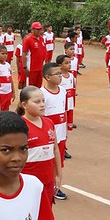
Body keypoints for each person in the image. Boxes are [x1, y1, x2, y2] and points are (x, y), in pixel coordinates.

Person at [17, 86, 61, 220]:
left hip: (46, 183)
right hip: (25, 185)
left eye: (43, 100)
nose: (42, 104)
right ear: (24, 105)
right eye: (37, 101)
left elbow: (56, 149)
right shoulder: (19, 127)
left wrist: (58, 175)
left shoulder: (49, 123)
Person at [42, 62, 70, 193]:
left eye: (60, 73)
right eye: (57, 74)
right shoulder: (42, 94)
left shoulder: (63, 91)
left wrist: (65, 130)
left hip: (61, 133)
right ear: (48, 77)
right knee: (49, 161)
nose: (60, 76)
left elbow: (64, 111)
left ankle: (56, 182)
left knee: (59, 161)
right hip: (49, 135)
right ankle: (52, 185)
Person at [58, 50, 77, 131]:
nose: (69, 65)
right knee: (63, 111)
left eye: (69, 63)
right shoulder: (59, 77)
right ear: (60, 66)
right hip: (62, 99)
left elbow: (73, 87)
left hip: (70, 98)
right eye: (66, 63)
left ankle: (69, 124)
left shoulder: (71, 75)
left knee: (70, 111)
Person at [23, 22, 46, 88]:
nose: (39, 31)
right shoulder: (28, 39)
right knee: (31, 88)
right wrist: (25, 67)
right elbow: (24, 54)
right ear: (32, 30)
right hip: (31, 68)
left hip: (40, 68)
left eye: (40, 29)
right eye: (37, 29)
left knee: (38, 87)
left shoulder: (42, 39)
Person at [0, 45, 15, 112]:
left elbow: (10, 79)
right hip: (0, 93)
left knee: (6, 110)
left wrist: (13, 92)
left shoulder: (7, 65)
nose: (5, 55)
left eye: (6, 53)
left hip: (8, 92)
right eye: (2, 54)